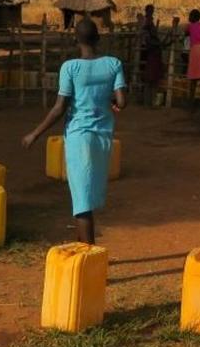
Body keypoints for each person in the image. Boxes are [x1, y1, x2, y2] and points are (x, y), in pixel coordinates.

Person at [22, 19, 126, 245]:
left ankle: (88, 254)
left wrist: (35, 134)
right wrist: (109, 100)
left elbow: (59, 108)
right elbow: (121, 101)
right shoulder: (113, 64)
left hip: (79, 137)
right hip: (103, 136)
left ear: (76, 40)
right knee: (87, 192)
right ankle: (83, 246)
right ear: (98, 39)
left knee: (82, 201)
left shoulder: (70, 68)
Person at [138, 5, 178, 107]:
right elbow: (154, 43)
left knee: (153, 79)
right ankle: (149, 102)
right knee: (151, 79)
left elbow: (159, 44)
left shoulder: (149, 26)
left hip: (154, 54)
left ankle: (150, 102)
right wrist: (166, 40)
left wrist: (166, 40)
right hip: (152, 55)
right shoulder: (147, 27)